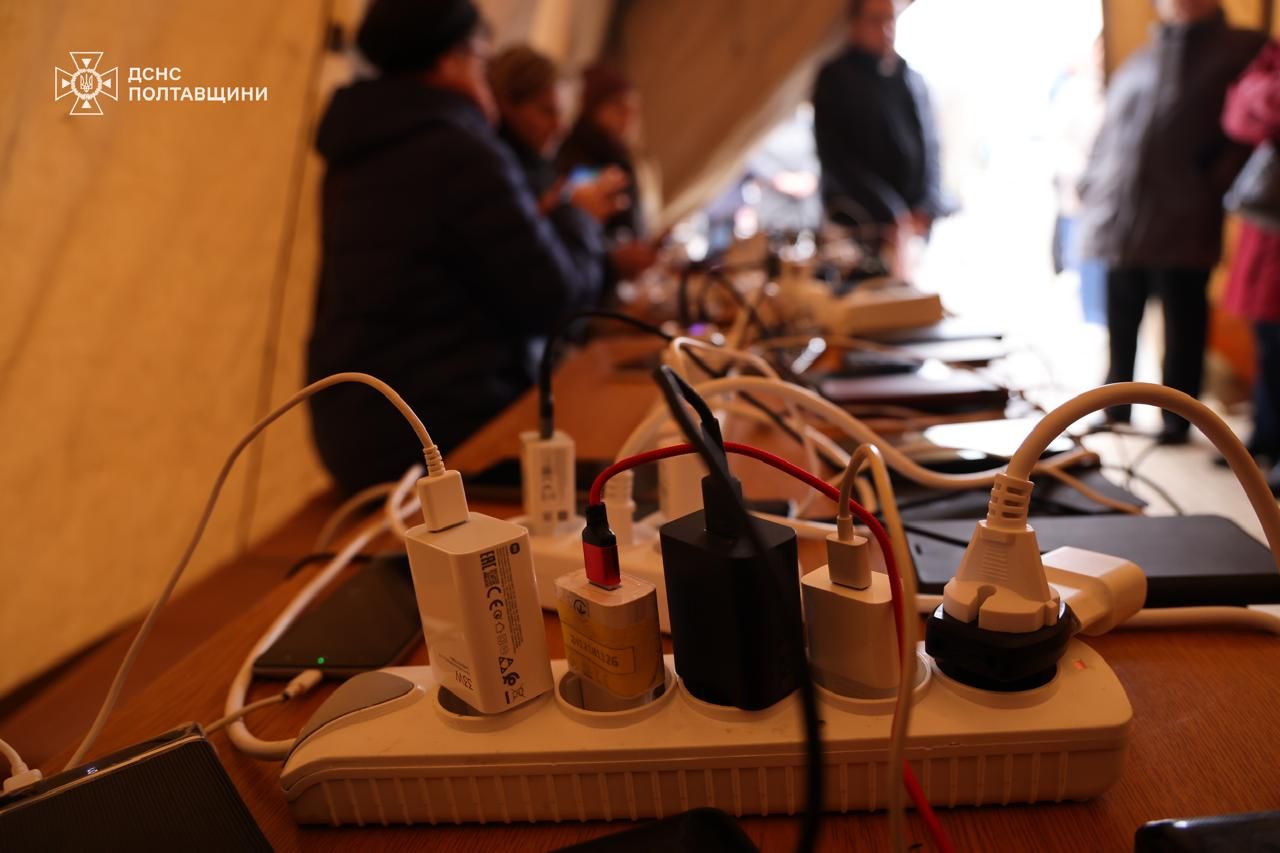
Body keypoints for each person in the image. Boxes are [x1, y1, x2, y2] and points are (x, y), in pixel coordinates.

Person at [306, 0, 617, 494]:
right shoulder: (458, 148)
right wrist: (579, 217)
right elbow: (552, 299)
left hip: (355, 424)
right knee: (620, 465)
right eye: (482, 60)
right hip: (439, 427)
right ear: (451, 61)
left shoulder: (360, 149)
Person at [1078, 0, 1265, 444]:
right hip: (1121, 215)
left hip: (1186, 214)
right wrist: (1093, 183)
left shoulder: (1242, 49)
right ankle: (1115, 406)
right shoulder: (1142, 57)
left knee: (1184, 321)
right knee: (1121, 318)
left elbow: (1248, 135)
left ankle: (1178, 416)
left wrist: (1211, 184)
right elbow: (1111, 132)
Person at [811, 0, 947, 255]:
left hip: (912, 228)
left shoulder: (911, 79)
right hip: (860, 228)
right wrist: (890, 212)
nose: (886, 29)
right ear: (855, 24)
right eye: (875, 21)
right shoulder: (835, 79)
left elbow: (931, 147)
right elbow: (838, 159)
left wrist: (926, 206)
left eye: (890, 19)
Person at [1221, 40, 1280, 487]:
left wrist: (1261, 96)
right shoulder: (1270, 53)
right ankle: (1265, 437)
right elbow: (1236, 116)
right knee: (1267, 340)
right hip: (1266, 230)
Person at [557, 63, 658, 281]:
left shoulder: (620, 158)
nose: (630, 116)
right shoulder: (579, 160)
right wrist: (613, 258)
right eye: (619, 107)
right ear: (593, 109)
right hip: (591, 281)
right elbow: (578, 226)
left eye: (634, 109)